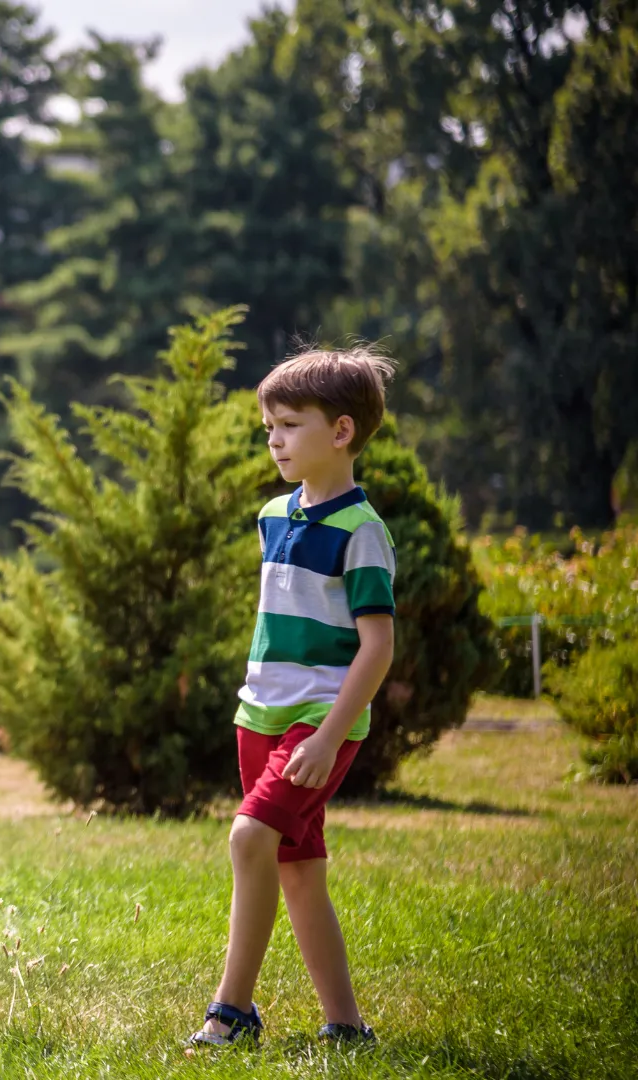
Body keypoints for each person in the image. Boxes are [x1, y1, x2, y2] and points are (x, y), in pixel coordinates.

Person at [190, 347, 397, 1048]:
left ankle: (232, 1013)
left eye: (288, 424)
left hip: (317, 724)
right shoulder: (273, 515)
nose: (273, 438)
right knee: (299, 869)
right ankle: (347, 1026)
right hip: (260, 716)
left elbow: (377, 647)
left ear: (341, 431)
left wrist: (330, 734)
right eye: (268, 426)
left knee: (250, 836)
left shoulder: (362, 532)